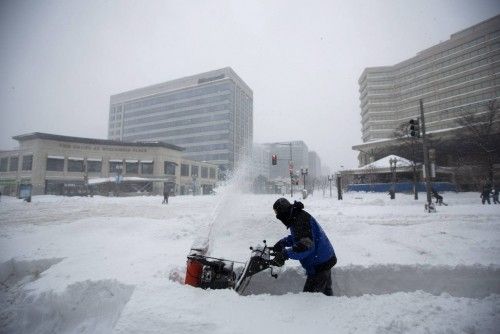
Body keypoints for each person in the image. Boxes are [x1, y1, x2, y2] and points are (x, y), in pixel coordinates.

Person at [271, 198, 337, 296]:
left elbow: (306, 246)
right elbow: (299, 237)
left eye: (279, 216)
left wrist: (285, 254)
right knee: (325, 297)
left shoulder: (299, 220)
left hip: (319, 265)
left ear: (283, 212)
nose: (279, 218)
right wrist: (283, 242)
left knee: (310, 300)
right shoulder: (296, 216)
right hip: (322, 260)